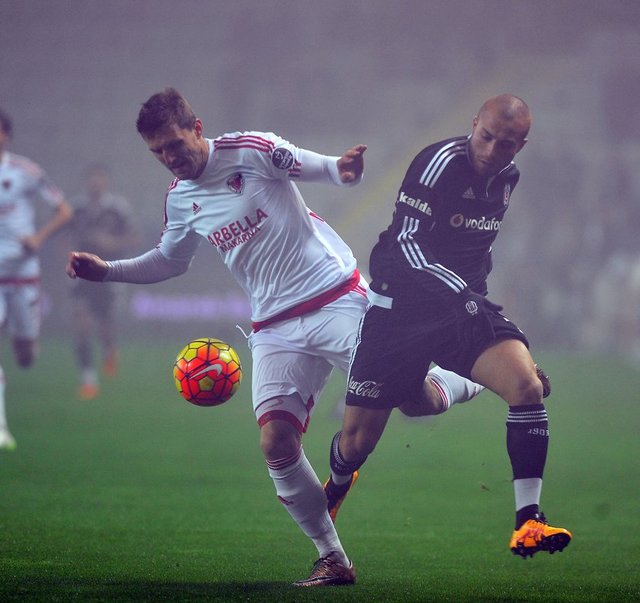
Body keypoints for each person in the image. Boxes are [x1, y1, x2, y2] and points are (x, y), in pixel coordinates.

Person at [65, 88, 483, 587]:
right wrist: (107, 271)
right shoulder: (180, 199)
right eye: (157, 152)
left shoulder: (249, 150)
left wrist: (343, 169)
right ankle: (332, 558)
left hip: (337, 300)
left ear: (197, 128)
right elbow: (170, 261)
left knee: (416, 401)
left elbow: (316, 166)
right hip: (274, 328)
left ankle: (475, 374)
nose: (169, 158)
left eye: (174, 144)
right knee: (276, 442)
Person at [325, 94, 573, 559]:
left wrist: (472, 297)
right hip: (399, 310)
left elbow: (475, 246)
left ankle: (529, 521)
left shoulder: (508, 177)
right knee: (373, 431)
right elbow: (407, 244)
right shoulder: (437, 163)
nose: (492, 150)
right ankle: (337, 485)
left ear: (521, 146)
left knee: (526, 388)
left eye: (505, 144)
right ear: (473, 124)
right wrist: (464, 293)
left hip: (461, 307)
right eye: (486, 137)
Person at [0, 108, 73, 450]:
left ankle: (28, 341)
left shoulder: (25, 171)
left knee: (25, 355)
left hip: (22, 274)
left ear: (6, 135)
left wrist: (39, 238)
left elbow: (64, 210)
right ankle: (2, 428)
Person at [67, 164, 137, 400]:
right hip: (81, 275)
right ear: (86, 182)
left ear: (105, 182)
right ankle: (88, 379)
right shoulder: (76, 208)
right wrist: (67, 259)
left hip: (108, 273)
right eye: (92, 179)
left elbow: (134, 237)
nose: (95, 183)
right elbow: (63, 237)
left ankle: (109, 349)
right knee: (81, 323)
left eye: (99, 179)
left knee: (106, 326)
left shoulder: (118, 209)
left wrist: (112, 243)